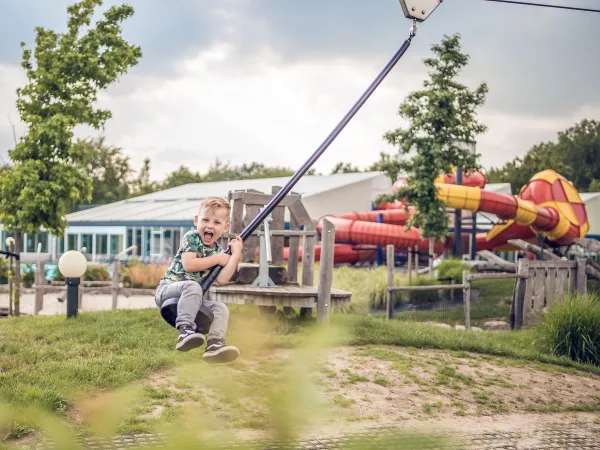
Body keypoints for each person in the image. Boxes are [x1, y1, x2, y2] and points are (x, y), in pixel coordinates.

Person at [155, 196, 243, 363]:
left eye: (217, 223)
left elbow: (222, 279)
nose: (210, 225)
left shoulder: (217, 250)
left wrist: (235, 255)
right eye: (205, 220)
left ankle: (215, 345)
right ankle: (185, 330)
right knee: (192, 286)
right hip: (168, 290)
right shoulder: (192, 237)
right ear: (196, 221)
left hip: (190, 298)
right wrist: (217, 259)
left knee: (220, 308)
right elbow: (189, 265)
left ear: (225, 227)